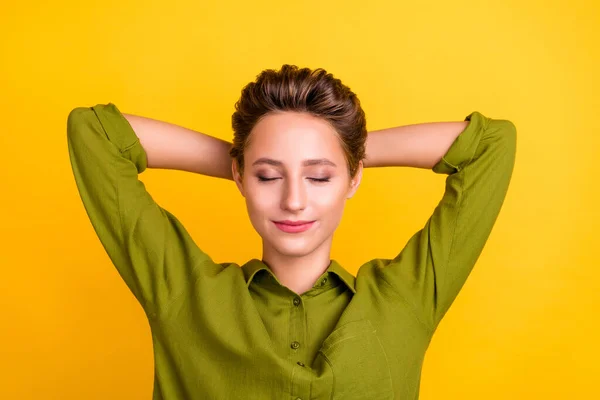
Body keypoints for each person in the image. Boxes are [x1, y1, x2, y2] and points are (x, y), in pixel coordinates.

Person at [66, 64, 516, 399]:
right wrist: (247, 159)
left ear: (353, 178)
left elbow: (493, 143)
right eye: (268, 177)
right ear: (240, 177)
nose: (294, 200)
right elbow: (94, 134)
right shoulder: (183, 293)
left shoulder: (407, 299)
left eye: (319, 177)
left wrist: (343, 149)